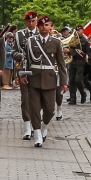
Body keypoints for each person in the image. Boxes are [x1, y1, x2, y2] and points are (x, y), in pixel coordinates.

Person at [20, 16, 68, 147]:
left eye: (47, 25)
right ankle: (37, 134)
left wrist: (64, 82)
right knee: (34, 109)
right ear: (38, 26)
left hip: (50, 79)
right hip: (33, 79)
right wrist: (23, 74)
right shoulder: (30, 41)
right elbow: (25, 60)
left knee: (49, 110)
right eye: (41, 25)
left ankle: (44, 126)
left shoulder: (56, 42)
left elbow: (61, 64)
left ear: (50, 26)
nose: (44, 27)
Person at [13, 11, 40, 139]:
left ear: (37, 20)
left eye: (33, 21)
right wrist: (19, 55)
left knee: (38, 98)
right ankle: (27, 127)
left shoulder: (42, 33)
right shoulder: (19, 35)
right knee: (26, 98)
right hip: (23, 68)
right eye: (28, 21)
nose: (31, 23)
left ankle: (36, 125)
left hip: (38, 70)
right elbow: (13, 51)